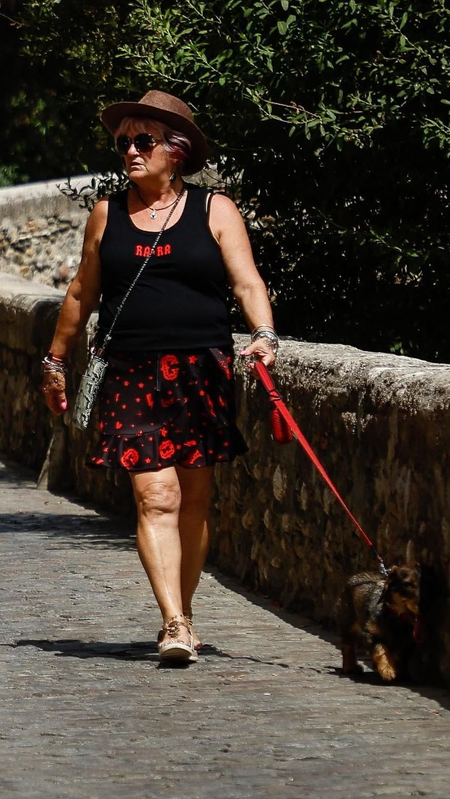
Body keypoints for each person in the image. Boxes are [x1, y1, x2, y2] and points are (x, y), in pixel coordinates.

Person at [39, 90, 277, 664]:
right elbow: (81, 291)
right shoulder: (107, 214)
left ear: (177, 150)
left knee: (194, 499)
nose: (130, 151)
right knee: (156, 495)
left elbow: (246, 281)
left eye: (142, 141)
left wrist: (264, 333)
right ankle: (171, 620)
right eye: (123, 142)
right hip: (131, 371)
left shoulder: (214, 209)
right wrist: (54, 359)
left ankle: (184, 611)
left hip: (201, 371)